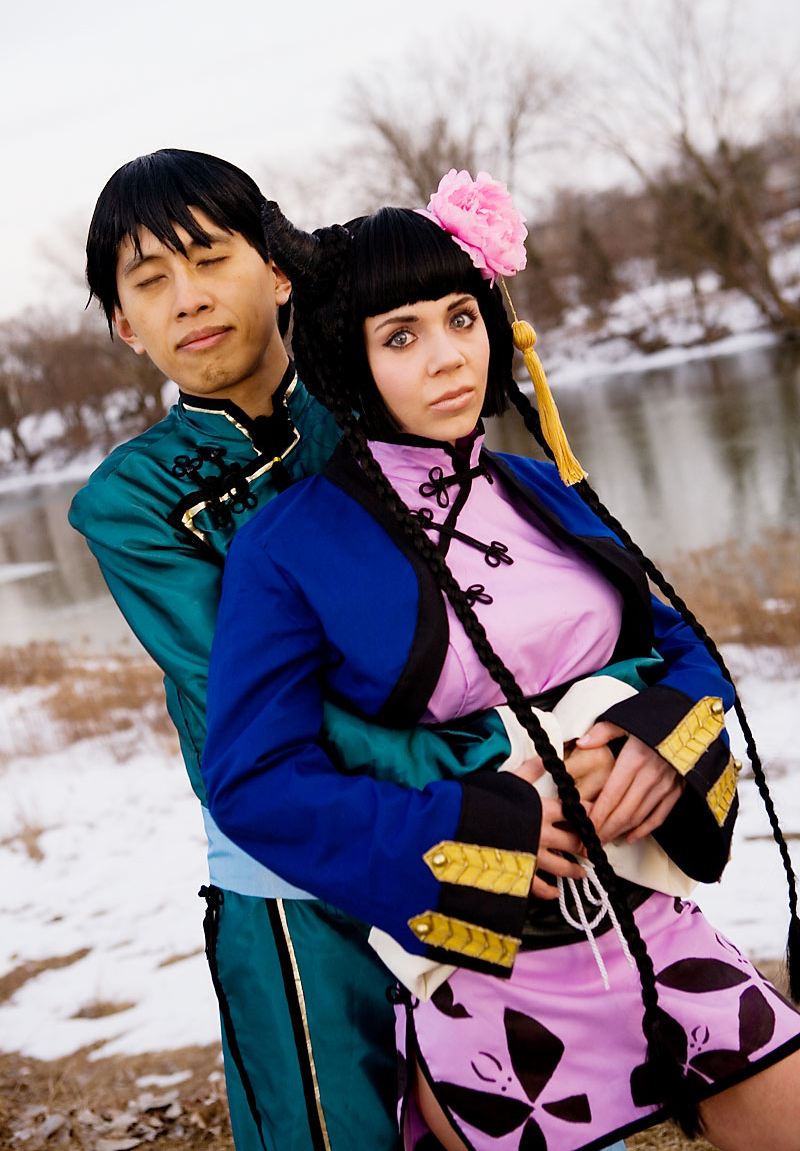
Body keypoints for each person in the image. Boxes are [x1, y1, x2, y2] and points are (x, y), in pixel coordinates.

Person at [202, 171, 800, 1151]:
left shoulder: (538, 485)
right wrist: (477, 828)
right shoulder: (289, 545)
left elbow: (681, 643)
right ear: (348, 360)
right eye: (401, 336)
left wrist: (659, 742)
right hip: (485, 967)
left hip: (656, 922)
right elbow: (253, 781)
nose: (449, 357)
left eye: (460, 318)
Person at [70, 149, 525, 1151]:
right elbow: (256, 707)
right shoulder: (131, 502)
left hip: (483, 812)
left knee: (531, 1108)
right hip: (295, 868)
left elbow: (506, 582)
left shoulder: (378, 398)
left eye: (210, 258)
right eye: (150, 281)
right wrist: (488, 778)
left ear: (276, 270)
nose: (189, 298)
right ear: (125, 324)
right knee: (329, 1127)